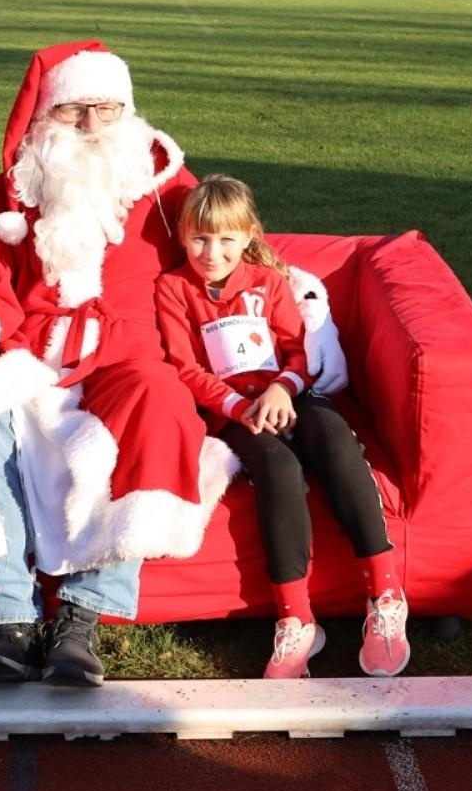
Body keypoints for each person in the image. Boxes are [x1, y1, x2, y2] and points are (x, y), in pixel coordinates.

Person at [0, 40, 345, 687]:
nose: (89, 127)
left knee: (162, 403)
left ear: (129, 112)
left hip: (130, 358)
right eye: (73, 111)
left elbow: (226, 259)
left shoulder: (170, 191)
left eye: (106, 110)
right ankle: (7, 619)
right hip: (27, 356)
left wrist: (294, 300)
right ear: (42, 115)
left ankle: (83, 618)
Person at [154, 174, 409, 679]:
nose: (212, 251)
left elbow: (298, 351)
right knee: (278, 467)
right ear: (183, 235)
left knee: (333, 440)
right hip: (232, 413)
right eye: (200, 238)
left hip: (287, 394)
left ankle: (385, 595)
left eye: (226, 239)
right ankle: (296, 620)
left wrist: (281, 389)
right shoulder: (172, 289)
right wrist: (235, 406)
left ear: (249, 236)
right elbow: (184, 366)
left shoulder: (269, 283)